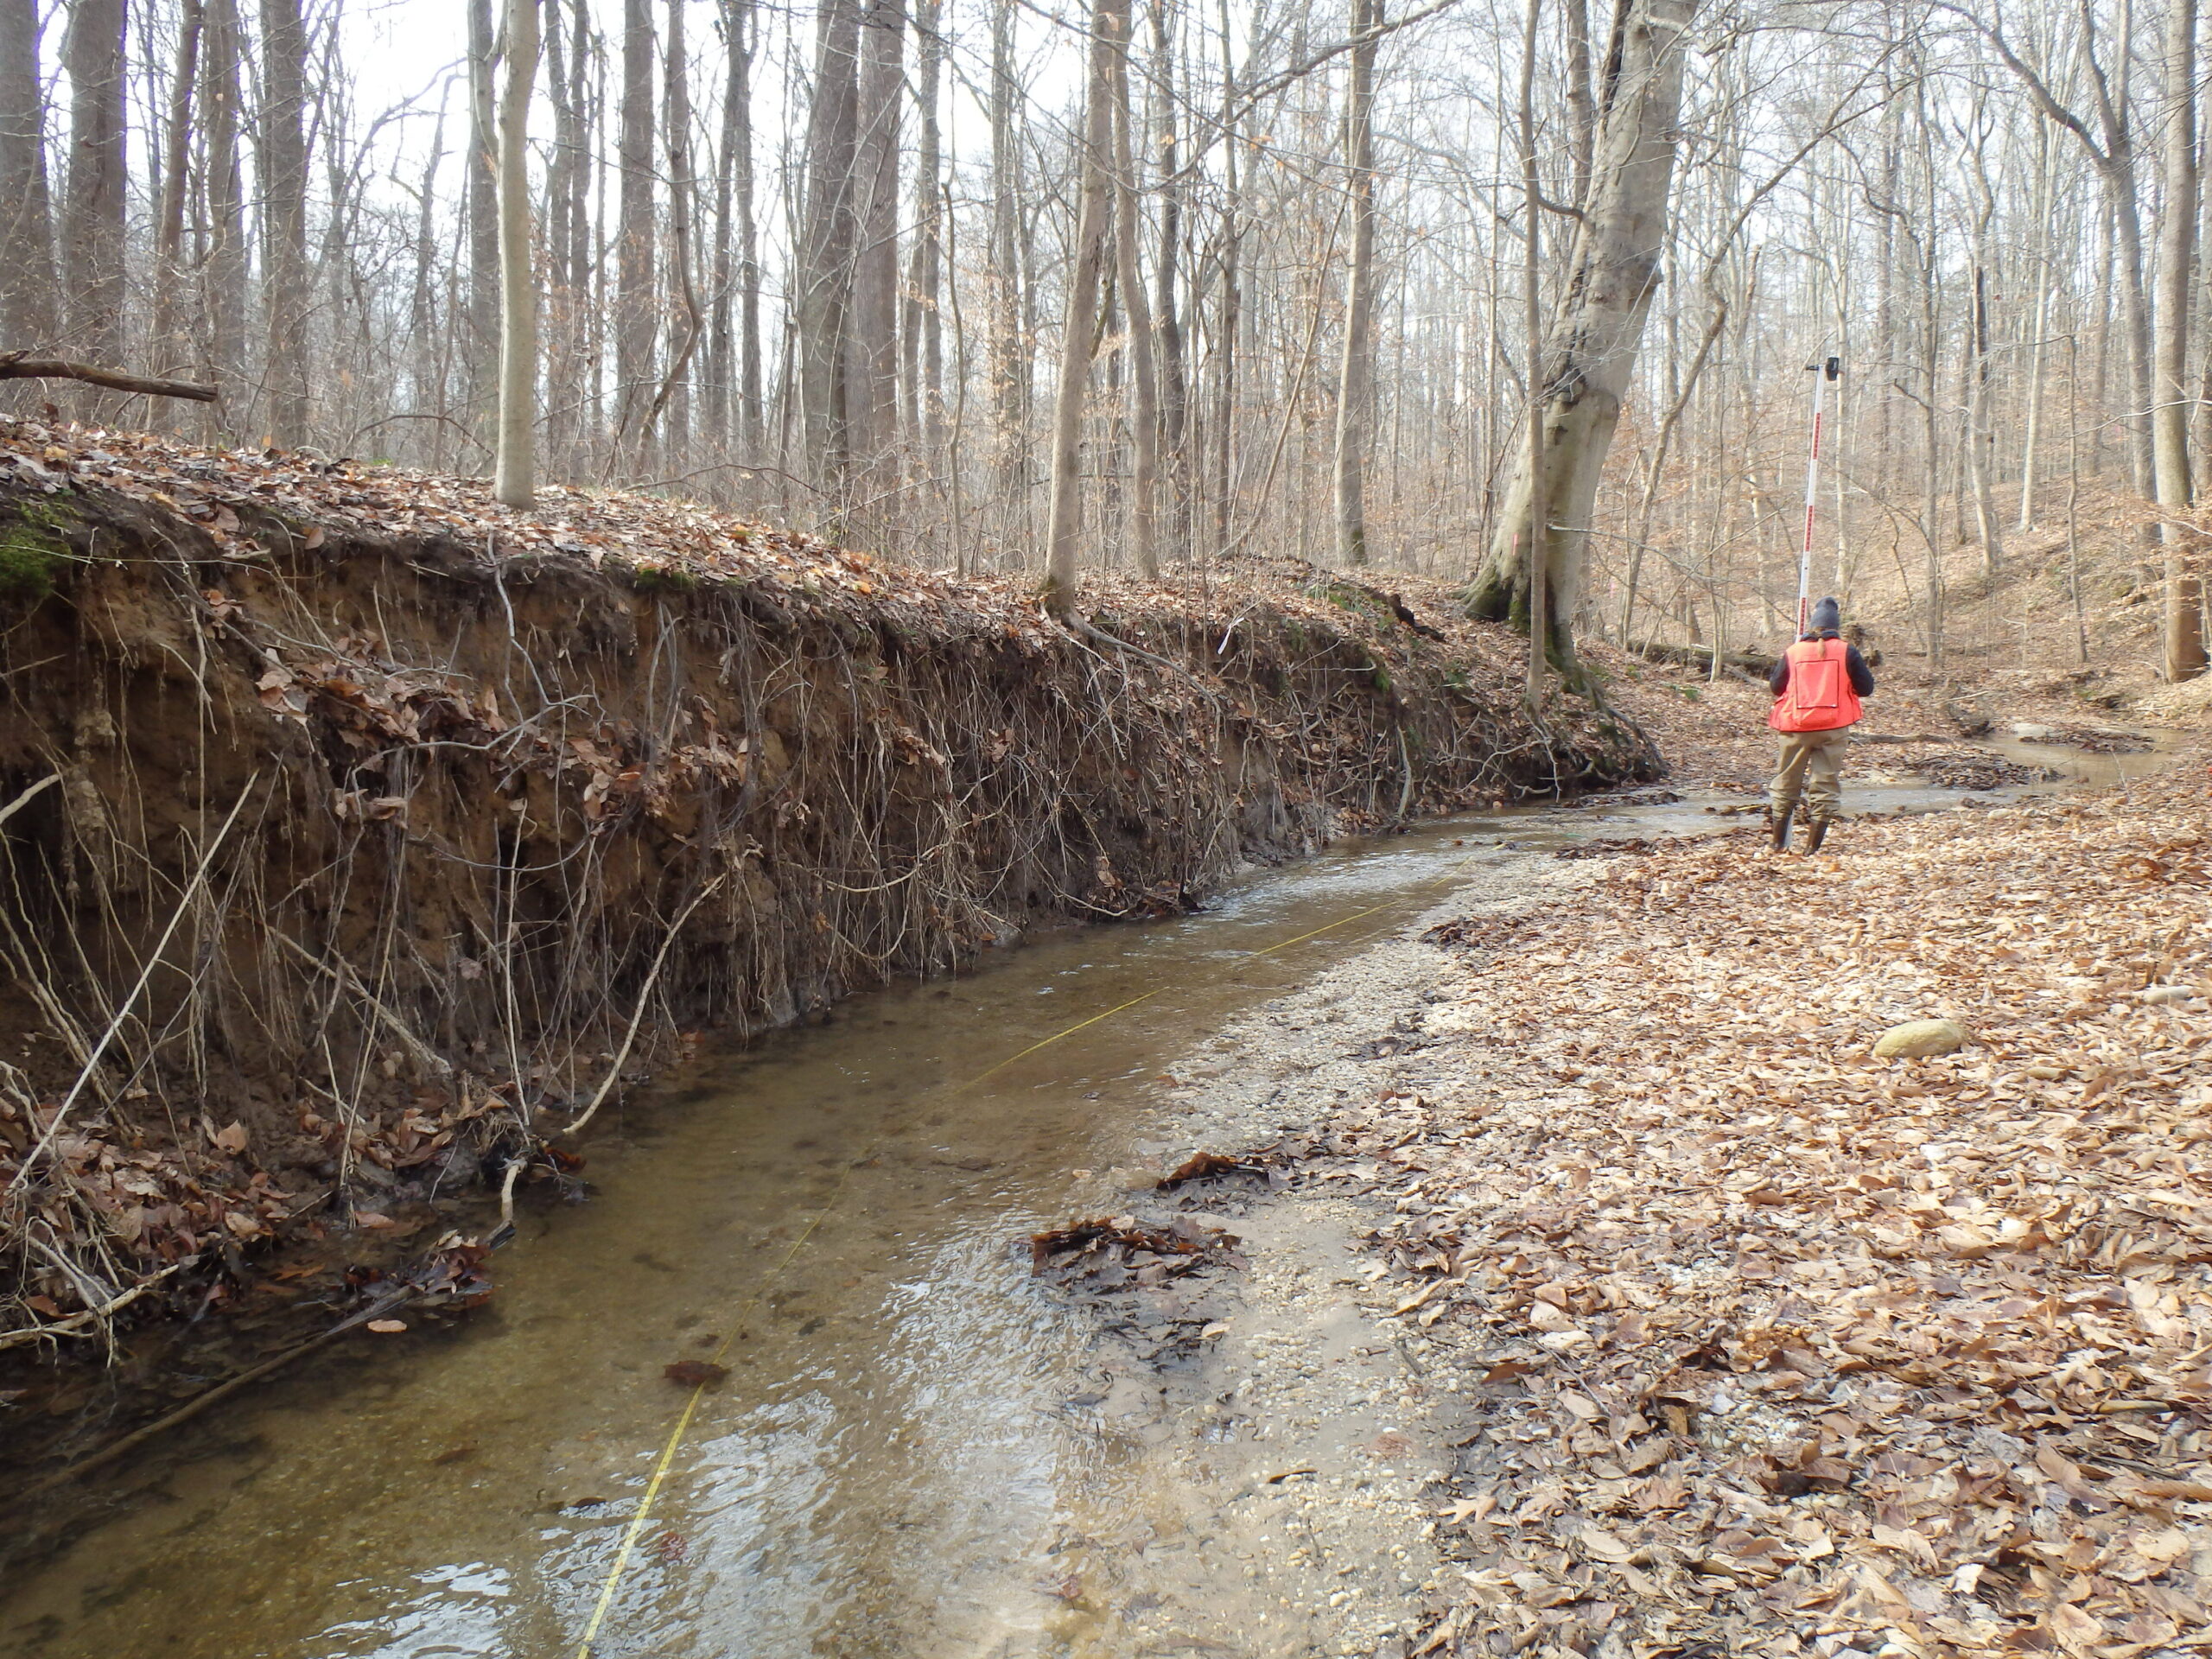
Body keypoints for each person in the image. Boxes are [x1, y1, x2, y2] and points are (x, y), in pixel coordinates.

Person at [1766, 595, 1875, 854]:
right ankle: (1811, 850)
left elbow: (1775, 687)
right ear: (1836, 627)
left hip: (1795, 726)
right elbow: (1866, 688)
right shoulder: (1847, 651)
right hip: (1833, 728)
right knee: (1825, 784)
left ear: (1811, 626)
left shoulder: (1793, 652)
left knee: (1785, 782)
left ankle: (1777, 843)